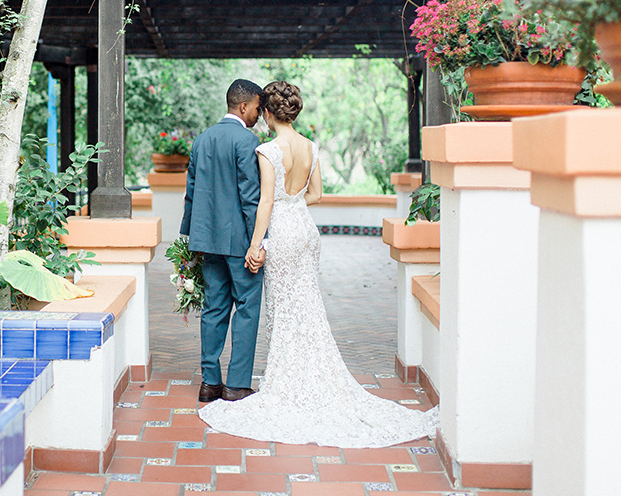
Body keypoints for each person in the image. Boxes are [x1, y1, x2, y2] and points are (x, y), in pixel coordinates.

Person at [198, 80, 439, 447]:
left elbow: (263, 203)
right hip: (306, 231)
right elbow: (317, 194)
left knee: (283, 309)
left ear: (266, 112)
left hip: (280, 231)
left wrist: (257, 243)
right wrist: (292, 207)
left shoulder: (267, 150)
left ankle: (288, 380)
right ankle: (311, 376)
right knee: (306, 304)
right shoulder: (310, 146)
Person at [180, 78, 266, 403]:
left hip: (207, 241)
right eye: (257, 107)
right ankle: (237, 384)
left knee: (214, 307)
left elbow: (191, 193)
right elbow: (250, 197)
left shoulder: (201, 140)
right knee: (246, 307)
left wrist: (189, 240)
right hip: (240, 243)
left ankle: (210, 383)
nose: (258, 114)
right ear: (244, 106)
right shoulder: (247, 141)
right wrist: (259, 242)